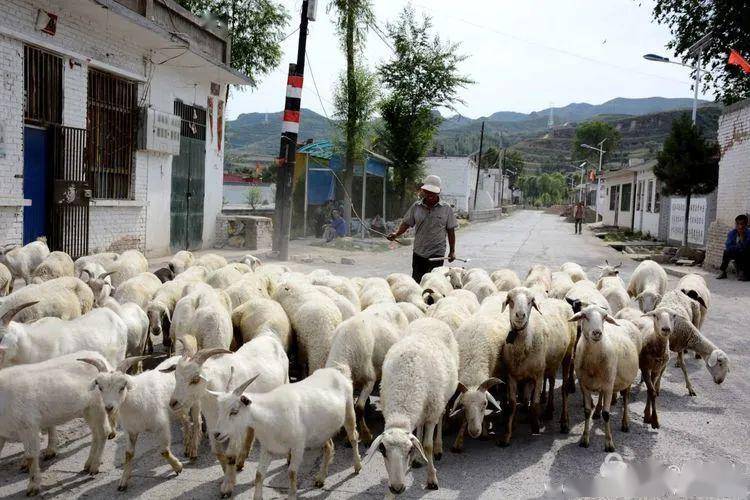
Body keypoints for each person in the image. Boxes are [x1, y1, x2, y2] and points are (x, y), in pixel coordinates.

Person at [387, 175, 458, 283]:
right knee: (417, 282)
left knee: (433, 283)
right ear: (423, 190)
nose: (430, 195)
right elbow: (406, 223)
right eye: (428, 192)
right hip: (419, 252)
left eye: (433, 193)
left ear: (438, 192)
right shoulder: (416, 207)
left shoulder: (446, 209)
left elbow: (451, 231)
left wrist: (452, 251)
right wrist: (396, 234)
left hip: (437, 254)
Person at [717, 214, 750, 281]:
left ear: (746, 225)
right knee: (726, 252)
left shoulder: (748, 233)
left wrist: (742, 239)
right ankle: (723, 271)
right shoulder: (732, 233)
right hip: (736, 252)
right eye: (738, 224)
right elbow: (728, 246)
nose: (740, 227)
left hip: (746, 255)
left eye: (742, 224)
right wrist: (738, 246)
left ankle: (743, 273)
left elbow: (747, 246)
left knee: (745, 251)